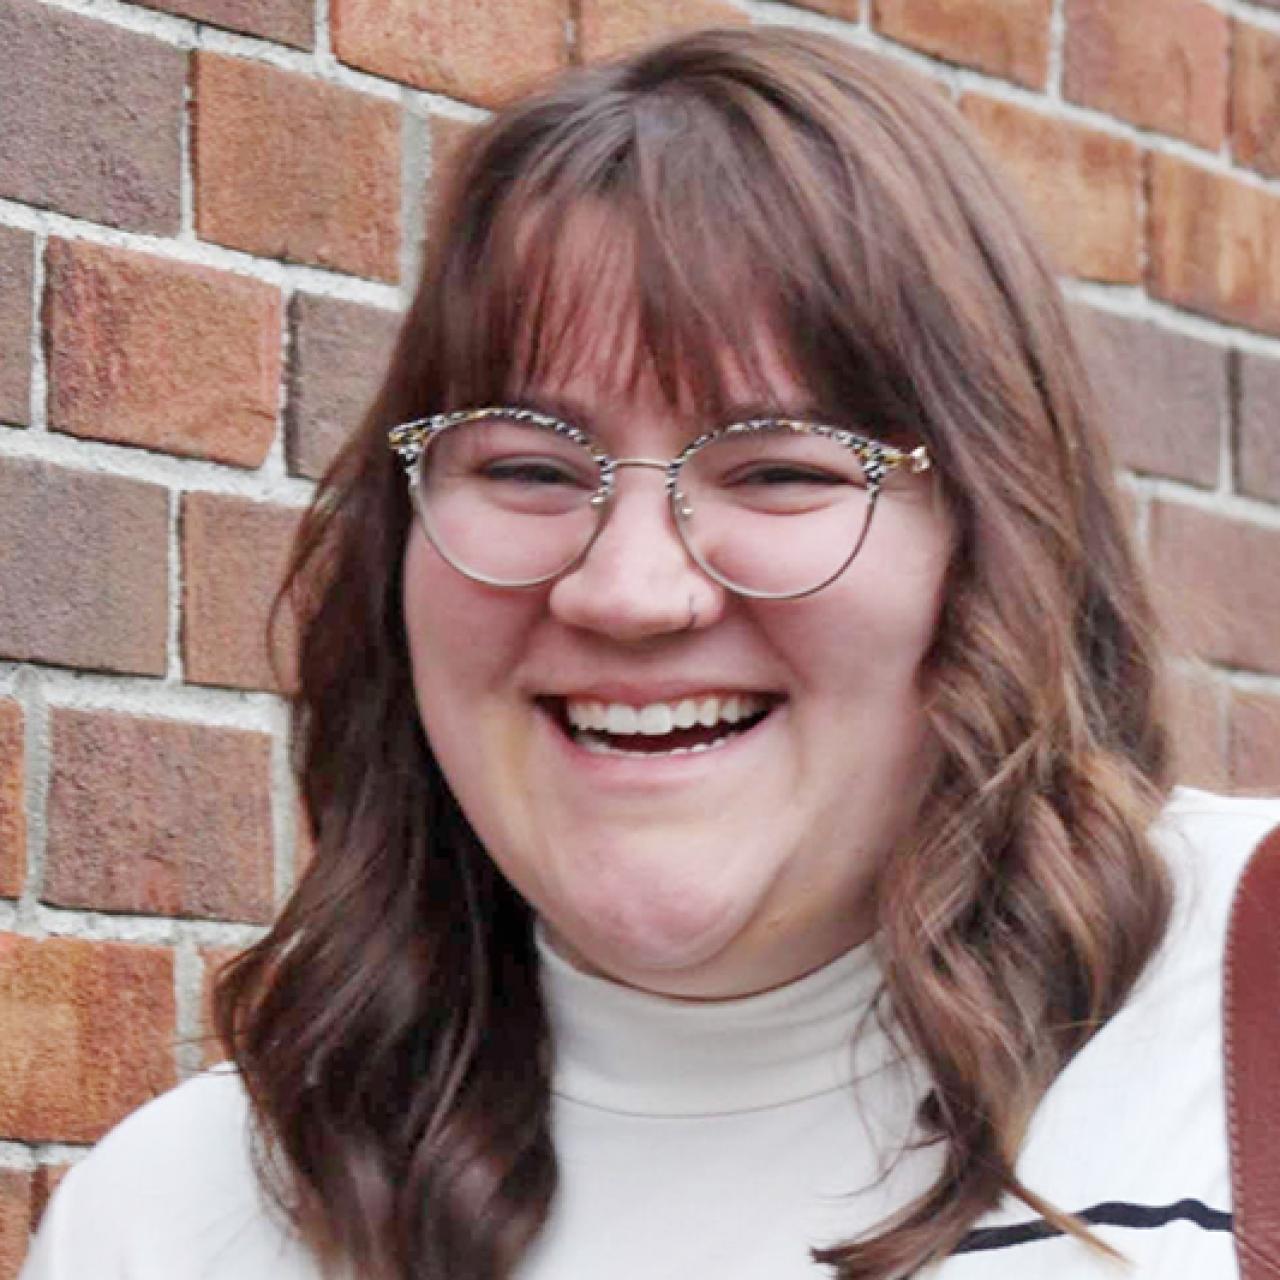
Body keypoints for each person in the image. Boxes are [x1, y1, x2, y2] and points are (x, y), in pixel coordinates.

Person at [21, 25, 1280, 1280]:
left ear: (998, 541)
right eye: (525, 466)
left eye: (780, 469)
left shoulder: (1235, 1022)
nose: (627, 587)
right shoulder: (176, 1218)